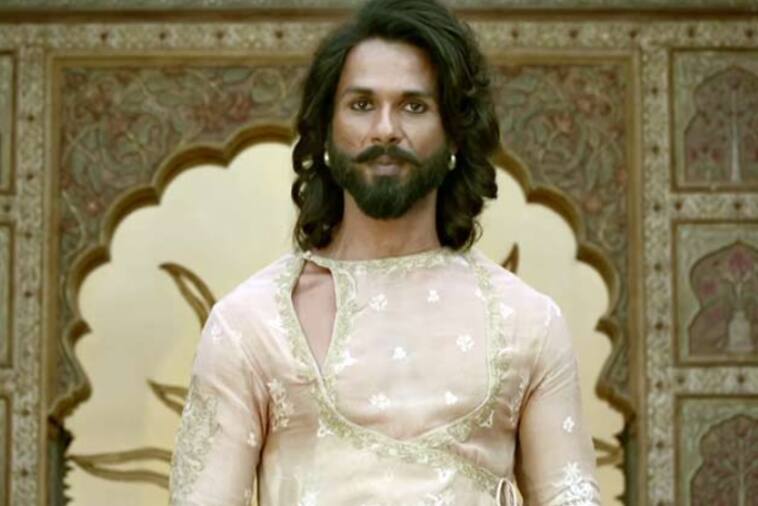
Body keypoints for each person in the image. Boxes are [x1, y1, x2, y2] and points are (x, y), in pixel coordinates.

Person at [168, 0, 600, 504]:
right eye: (361, 105)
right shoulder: (250, 323)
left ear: (454, 133)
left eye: (414, 106)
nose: (385, 129)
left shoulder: (528, 322)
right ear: (326, 131)